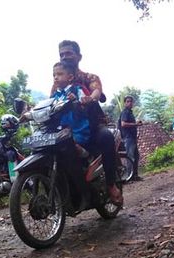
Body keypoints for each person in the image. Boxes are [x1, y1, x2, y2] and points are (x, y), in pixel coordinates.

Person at [51, 40, 122, 205]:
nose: (65, 57)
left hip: (92, 125)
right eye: (62, 54)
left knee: (106, 137)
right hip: (67, 128)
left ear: (78, 56)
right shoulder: (57, 83)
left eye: (69, 53)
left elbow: (97, 90)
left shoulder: (89, 77)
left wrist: (90, 97)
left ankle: (111, 185)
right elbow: (50, 102)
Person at [120, 95, 143, 181]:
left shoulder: (130, 112)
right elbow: (123, 124)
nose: (129, 103)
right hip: (128, 138)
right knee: (130, 157)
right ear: (125, 103)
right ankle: (130, 176)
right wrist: (136, 124)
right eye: (128, 101)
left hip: (132, 138)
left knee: (136, 156)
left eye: (131, 101)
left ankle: (135, 175)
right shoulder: (125, 112)